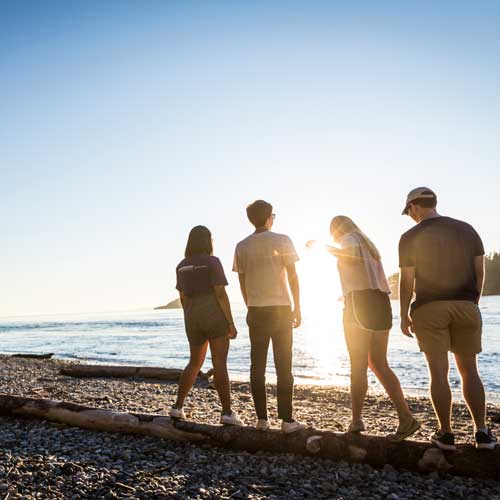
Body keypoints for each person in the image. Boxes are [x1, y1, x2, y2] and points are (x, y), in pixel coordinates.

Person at [399, 187, 497, 450]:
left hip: (430, 308)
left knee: (439, 372)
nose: (409, 216)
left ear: (414, 206)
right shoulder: (466, 229)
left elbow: (407, 281)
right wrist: (472, 302)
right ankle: (483, 433)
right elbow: (480, 270)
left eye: (408, 211)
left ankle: (446, 433)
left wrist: (403, 314)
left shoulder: (410, 236)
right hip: (465, 305)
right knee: (470, 371)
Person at [307, 216, 420, 441]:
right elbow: (363, 274)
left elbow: (350, 257)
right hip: (381, 303)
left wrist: (321, 247)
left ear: (336, 231)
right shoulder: (370, 246)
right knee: (379, 363)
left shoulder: (349, 240)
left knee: (358, 365)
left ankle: (357, 420)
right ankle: (406, 417)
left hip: (360, 305)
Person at [233, 200, 305, 433]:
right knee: (284, 366)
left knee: (258, 366)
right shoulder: (282, 240)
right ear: (268, 217)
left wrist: (250, 304)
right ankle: (286, 420)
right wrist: (298, 307)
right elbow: (293, 276)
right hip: (281, 308)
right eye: (273, 214)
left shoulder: (241, 246)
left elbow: (242, 281)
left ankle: (262, 420)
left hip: (256, 310)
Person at [170, 225, 242, 426]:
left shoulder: (181, 265)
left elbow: (182, 297)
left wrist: (190, 316)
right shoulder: (212, 262)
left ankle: (177, 407)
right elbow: (220, 293)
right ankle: (227, 413)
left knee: (194, 362)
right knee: (219, 363)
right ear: (208, 241)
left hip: (192, 317)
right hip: (213, 315)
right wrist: (230, 322)